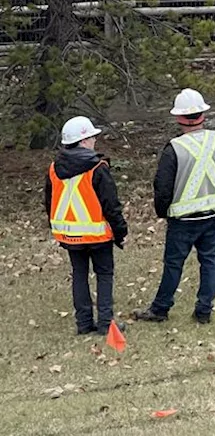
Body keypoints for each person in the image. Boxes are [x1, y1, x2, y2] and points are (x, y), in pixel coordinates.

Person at [132, 89, 215, 325]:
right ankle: (204, 310)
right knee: (209, 260)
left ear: (179, 118)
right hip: (212, 214)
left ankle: (160, 309)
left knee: (173, 264)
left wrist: (163, 212)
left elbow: (162, 187)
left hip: (182, 219)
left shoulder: (174, 148)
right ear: (203, 114)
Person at [44, 116, 128, 335]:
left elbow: (48, 202)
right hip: (98, 236)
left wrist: (58, 230)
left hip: (69, 236)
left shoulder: (54, 169)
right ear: (83, 141)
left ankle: (83, 323)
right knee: (104, 275)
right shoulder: (97, 167)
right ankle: (105, 324)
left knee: (79, 275)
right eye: (92, 137)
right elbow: (111, 205)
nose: (94, 141)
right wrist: (120, 231)